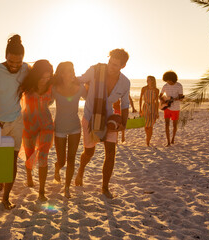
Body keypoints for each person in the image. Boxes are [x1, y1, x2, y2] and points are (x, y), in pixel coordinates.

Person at [75, 49, 130, 199]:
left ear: (122, 66)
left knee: (111, 153)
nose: (110, 66)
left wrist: (123, 123)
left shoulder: (125, 82)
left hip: (109, 119)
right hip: (90, 117)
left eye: (115, 65)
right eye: (110, 62)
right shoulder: (95, 71)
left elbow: (125, 105)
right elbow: (79, 80)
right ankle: (80, 171)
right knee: (89, 153)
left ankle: (105, 187)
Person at [0, 34, 29, 209]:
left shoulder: (26, 69)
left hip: (16, 120)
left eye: (18, 62)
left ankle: (6, 198)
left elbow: (40, 74)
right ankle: (0, 179)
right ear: (5, 56)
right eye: (11, 62)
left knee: (12, 161)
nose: (15, 66)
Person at [18, 60, 54, 202]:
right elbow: (15, 69)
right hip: (28, 124)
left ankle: (42, 191)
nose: (45, 81)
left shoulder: (51, 86)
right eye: (42, 77)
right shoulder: (27, 85)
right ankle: (29, 176)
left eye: (48, 77)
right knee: (29, 154)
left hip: (46, 124)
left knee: (43, 157)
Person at [52, 62, 87, 198]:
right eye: (68, 71)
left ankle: (67, 187)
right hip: (59, 127)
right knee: (62, 161)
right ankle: (57, 167)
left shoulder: (80, 87)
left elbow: (91, 98)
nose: (72, 73)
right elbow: (44, 98)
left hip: (74, 127)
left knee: (71, 159)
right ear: (62, 74)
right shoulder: (55, 88)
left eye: (72, 70)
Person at [159, 71, 184, 146]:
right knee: (166, 124)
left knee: (174, 125)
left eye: (168, 80)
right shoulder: (165, 86)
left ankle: (173, 139)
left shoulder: (179, 86)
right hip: (167, 108)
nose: (167, 82)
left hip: (176, 108)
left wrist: (175, 99)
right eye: (166, 81)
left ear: (172, 79)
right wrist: (164, 101)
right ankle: (168, 142)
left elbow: (181, 98)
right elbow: (160, 96)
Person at [139, 76, 159, 146]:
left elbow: (157, 102)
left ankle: (148, 140)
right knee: (146, 125)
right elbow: (141, 99)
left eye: (149, 80)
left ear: (153, 81)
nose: (147, 81)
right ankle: (147, 137)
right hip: (145, 108)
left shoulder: (156, 90)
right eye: (147, 80)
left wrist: (157, 112)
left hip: (153, 108)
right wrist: (140, 109)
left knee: (150, 125)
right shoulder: (144, 88)